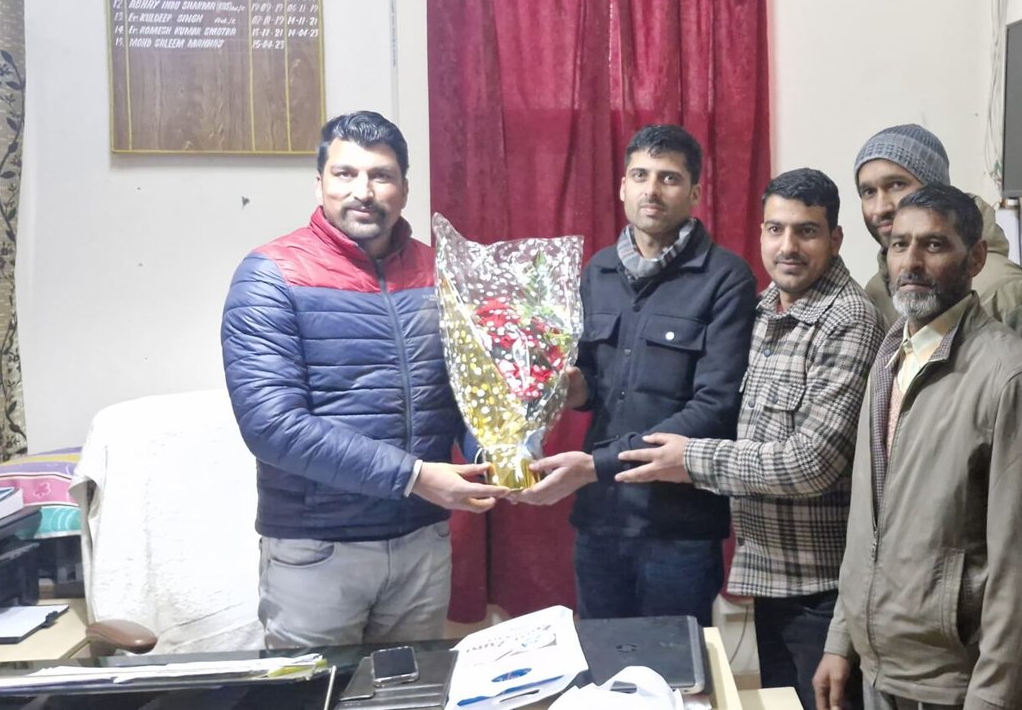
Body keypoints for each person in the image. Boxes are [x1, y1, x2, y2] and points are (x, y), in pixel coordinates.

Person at [221, 110, 507, 648]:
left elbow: (468, 392)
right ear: (320, 184)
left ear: (404, 188)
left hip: (422, 540)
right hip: (317, 550)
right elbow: (272, 426)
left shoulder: (442, 271)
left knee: (413, 688)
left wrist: (502, 449)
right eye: (345, 174)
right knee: (318, 690)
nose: (364, 191)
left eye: (381, 175)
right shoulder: (270, 275)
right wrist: (415, 477)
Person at [616, 168, 881, 707]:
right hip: (771, 577)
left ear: (835, 239)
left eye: (807, 231)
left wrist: (692, 458)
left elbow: (811, 463)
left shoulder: (849, 320)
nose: (788, 246)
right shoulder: (762, 310)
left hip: (825, 592)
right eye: (775, 229)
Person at [813, 184, 1022, 710]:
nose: (911, 262)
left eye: (933, 245)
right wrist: (841, 639)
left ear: (974, 258)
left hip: (956, 682)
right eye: (899, 245)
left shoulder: (1012, 376)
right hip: (879, 668)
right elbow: (868, 520)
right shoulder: (890, 356)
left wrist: (996, 697)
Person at [511, 124, 755, 627]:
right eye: (640, 176)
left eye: (669, 178)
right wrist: (560, 387)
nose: (652, 190)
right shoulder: (597, 271)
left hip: (679, 526)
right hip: (602, 519)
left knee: (676, 668)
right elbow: (591, 383)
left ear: (695, 193)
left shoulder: (725, 278)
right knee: (602, 663)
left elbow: (715, 406)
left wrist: (596, 465)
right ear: (623, 187)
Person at [853, 124, 1022, 330]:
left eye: (897, 184)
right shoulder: (876, 291)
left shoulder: (1004, 291)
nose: (880, 208)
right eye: (869, 192)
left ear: (937, 191)